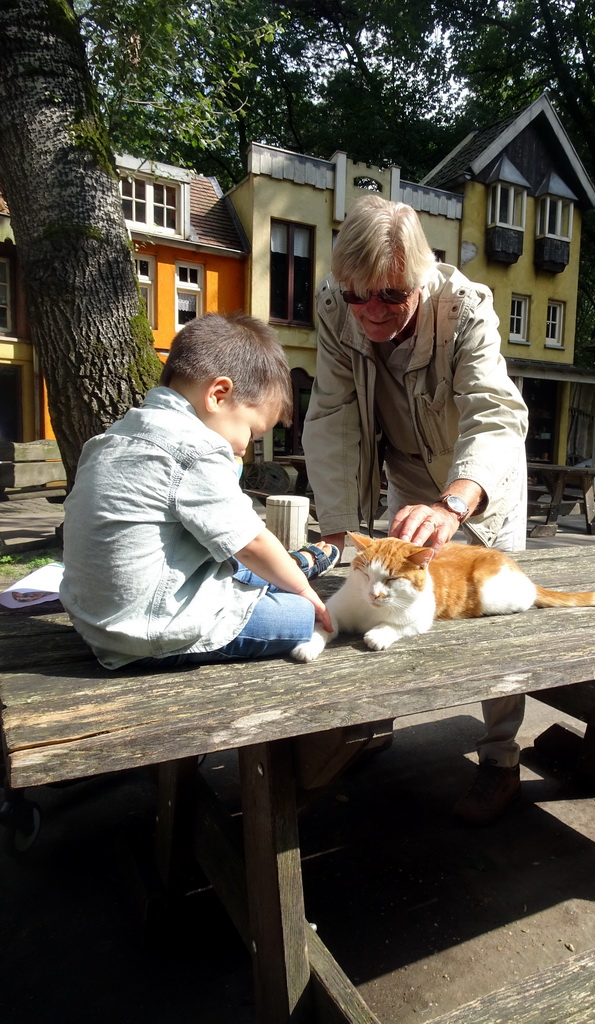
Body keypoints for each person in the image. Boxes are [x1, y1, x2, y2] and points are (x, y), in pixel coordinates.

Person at [302, 194, 530, 825]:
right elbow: (332, 415)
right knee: (381, 600)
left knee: (494, 626)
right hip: (407, 477)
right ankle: (367, 728)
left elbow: (495, 413)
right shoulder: (334, 306)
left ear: (422, 279)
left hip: (477, 483)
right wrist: (343, 526)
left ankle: (500, 757)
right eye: (357, 295)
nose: (370, 311)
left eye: (390, 296)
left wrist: (458, 499)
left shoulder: (466, 308)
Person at [60, 312, 338, 671]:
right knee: (305, 615)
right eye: (252, 434)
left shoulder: (111, 438)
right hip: (152, 631)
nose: (245, 448)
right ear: (219, 395)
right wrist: (303, 592)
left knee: (238, 567)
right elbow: (251, 543)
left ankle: (294, 566)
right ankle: (298, 572)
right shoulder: (195, 450)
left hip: (95, 622)